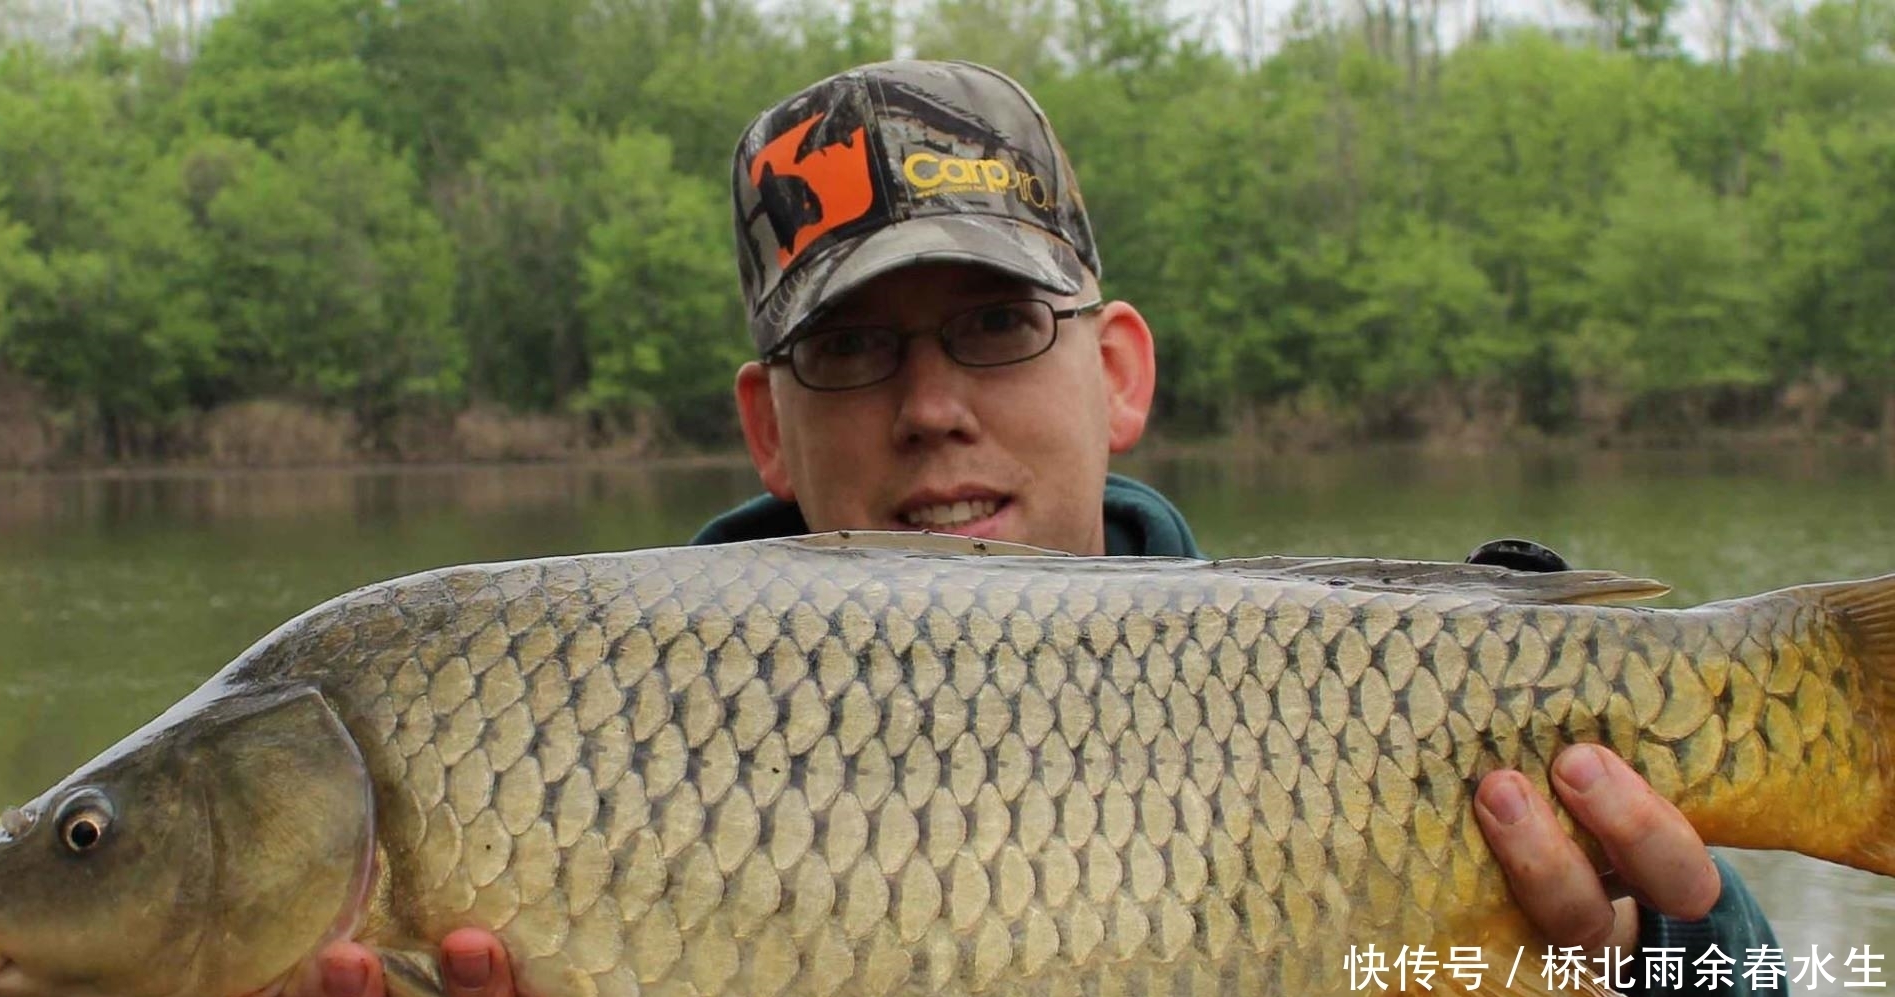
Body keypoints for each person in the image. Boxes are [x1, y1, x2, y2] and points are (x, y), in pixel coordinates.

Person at [297, 60, 1784, 997]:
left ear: (1118, 371)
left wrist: (1686, 962)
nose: (933, 404)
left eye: (998, 324)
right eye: (856, 351)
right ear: (767, 423)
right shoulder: (548, 727)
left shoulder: (1401, 697)